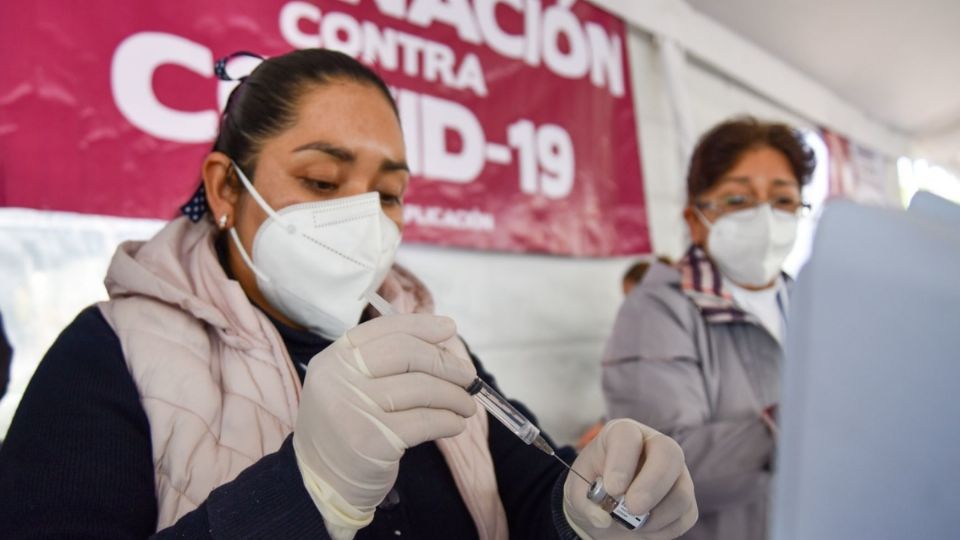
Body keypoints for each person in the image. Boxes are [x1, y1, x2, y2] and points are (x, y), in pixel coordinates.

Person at [0, 49, 697, 540]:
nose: (363, 218)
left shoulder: (426, 338)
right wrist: (309, 492)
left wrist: (584, 511)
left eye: (388, 194)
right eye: (323, 181)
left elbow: (529, 491)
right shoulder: (110, 354)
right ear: (222, 191)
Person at [602, 117, 815, 540]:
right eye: (738, 200)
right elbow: (663, 469)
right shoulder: (658, 309)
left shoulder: (811, 303)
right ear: (697, 220)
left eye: (783, 199)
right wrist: (806, 424)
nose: (766, 219)